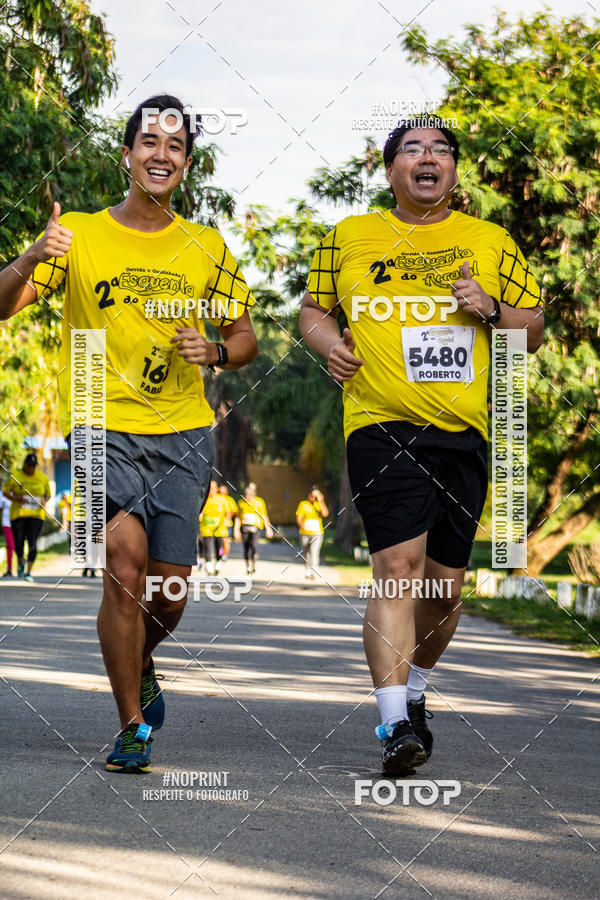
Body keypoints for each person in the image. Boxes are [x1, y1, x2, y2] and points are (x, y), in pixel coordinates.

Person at [0, 94, 257, 773]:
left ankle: (139, 658)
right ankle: (131, 726)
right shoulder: (78, 234)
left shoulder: (208, 246)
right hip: (98, 419)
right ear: (127, 154)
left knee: (169, 591)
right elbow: (2, 305)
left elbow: (245, 335)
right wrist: (31, 254)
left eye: (174, 146)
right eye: (149, 142)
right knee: (123, 566)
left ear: (187, 163)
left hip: (182, 431)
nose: (160, 154)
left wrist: (219, 353)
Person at [299, 118, 544, 775]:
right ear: (391, 171)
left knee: (442, 592)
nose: (428, 158)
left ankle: (413, 692)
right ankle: (393, 723)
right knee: (397, 570)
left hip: (463, 434)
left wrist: (491, 308)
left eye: (441, 150)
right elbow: (312, 312)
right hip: (380, 425)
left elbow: (534, 329)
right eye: (413, 149)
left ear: (454, 171)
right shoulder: (349, 237)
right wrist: (332, 347)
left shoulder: (490, 242)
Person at [3, 453, 51, 582]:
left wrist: (45, 501)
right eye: (29, 466)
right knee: (18, 542)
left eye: (33, 466)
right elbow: (5, 492)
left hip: (36, 515)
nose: (31, 469)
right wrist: (16, 498)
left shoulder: (42, 477)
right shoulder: (16, 476)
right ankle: (20, 561)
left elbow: (48, 494)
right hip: (18, 514)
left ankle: (28, 571)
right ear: (25, 465)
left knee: (33, 542)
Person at [234, 483, 273, 575]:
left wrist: (268, 529)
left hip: (255, 528)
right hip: (245, 528)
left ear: (253, 495)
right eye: (245, 496)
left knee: (254, 546)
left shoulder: (259, 502)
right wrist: (236, 530)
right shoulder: (241, 503)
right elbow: (238, 517)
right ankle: (248, 566)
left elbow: (264, 516)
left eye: (248, 496)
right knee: (246, 547)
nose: (247, 498)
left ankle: (254, 565)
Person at [296, 486, 329, 580]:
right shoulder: (303, 504)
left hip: (317, 533)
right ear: (309, 495)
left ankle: (314, 572)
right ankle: (307, 570)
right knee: (306, 553)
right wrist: (301, 524)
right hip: (304, 532)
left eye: (316, 496)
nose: (314, 498)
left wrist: (321, 501)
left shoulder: (319, 504)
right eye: (312, 496)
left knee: (314, 552)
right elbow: (299, 517)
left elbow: (325, 514)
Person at [198, 480, 228, 575]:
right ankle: (209, 564)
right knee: (207, 546)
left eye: (214, 487)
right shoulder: (204, 499)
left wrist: (227, 520)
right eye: (210, 487)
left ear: (217, 489)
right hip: (206, 528)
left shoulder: (222, 499)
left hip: (219, 528)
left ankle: (218, 562)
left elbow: (228, 512)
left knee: (218, 546)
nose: (212, 489)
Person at [218, 484, 238, 562]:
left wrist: (227, 518)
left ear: (226, 492)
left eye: (223, 491)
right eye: (220, 491)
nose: (221, 493)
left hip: (227, 524)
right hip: (216, 524)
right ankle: (219, 553)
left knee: (225, 540)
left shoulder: (229, 500)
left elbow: (233, 511)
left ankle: (225, 555)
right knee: (219, 540)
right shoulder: (215, 499)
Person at [0, 489, 15, 577]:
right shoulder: (2, 494)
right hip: (6, 523)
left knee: (18, 545)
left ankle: (21, 566)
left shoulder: (20, 492)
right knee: (10, 546)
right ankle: (9, 569)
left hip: (19, 523)